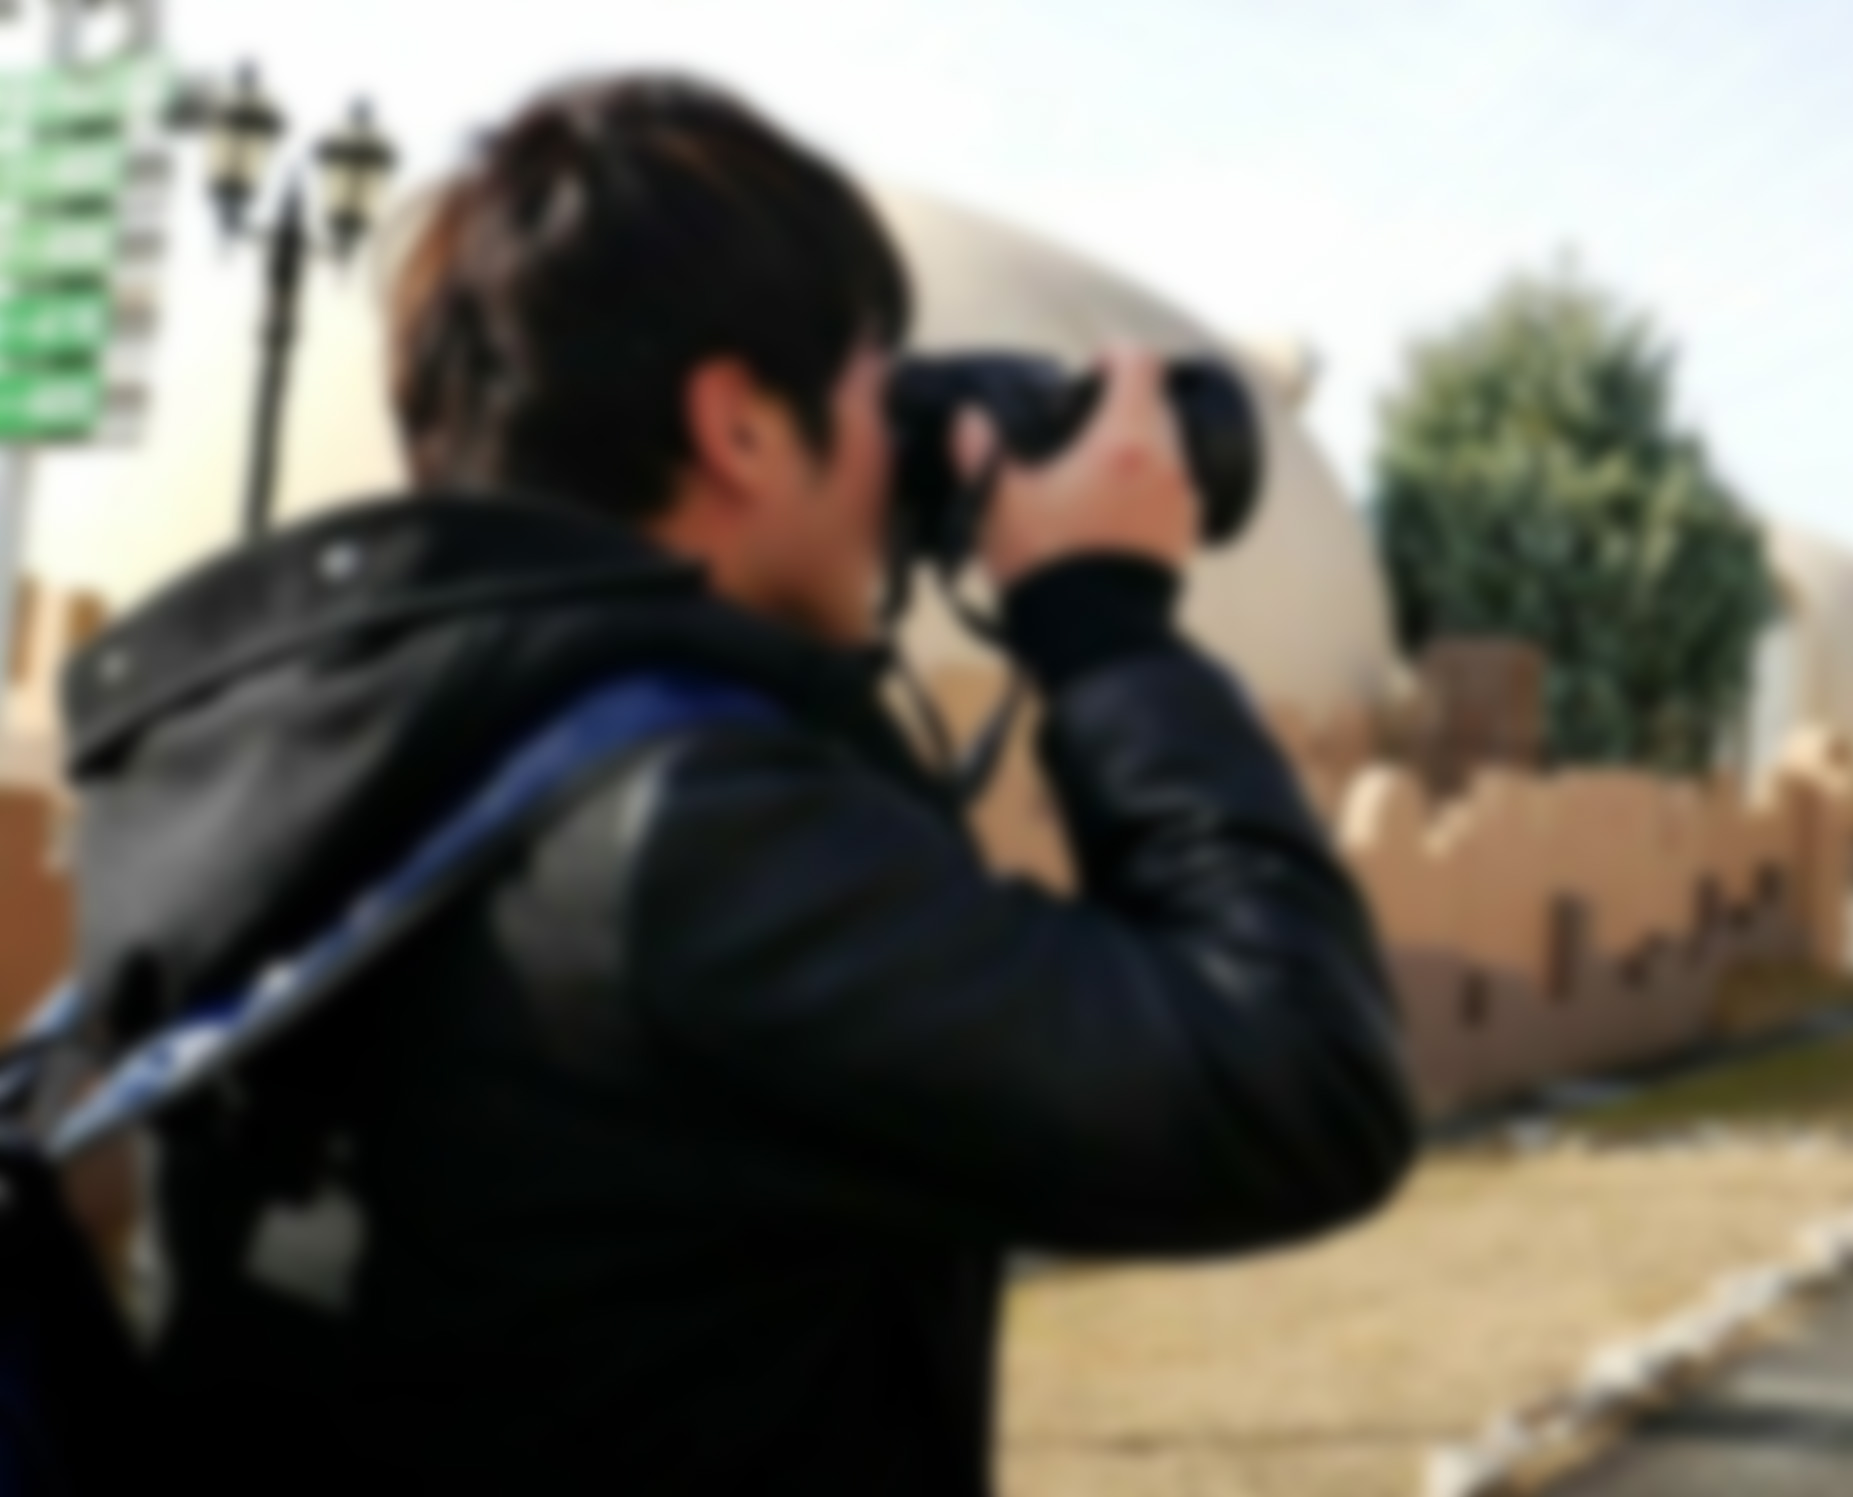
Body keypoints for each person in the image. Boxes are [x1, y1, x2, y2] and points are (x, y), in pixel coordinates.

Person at [62, 73, 1416, 1496]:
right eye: (880, 380)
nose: (907, 438)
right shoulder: (695, 843)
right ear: (744, 428)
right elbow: (1301, 1083)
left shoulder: (337, 758)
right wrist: (1104, 624)